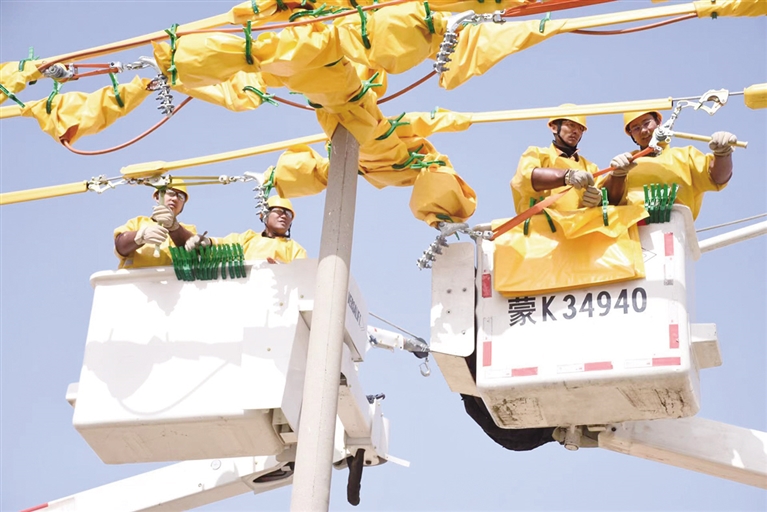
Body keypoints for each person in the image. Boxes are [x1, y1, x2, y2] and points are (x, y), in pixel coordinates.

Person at [603, 110, 737, 219]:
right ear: (632, 135)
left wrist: (723, 154)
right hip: (632, 231)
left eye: (646, 123)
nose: (643, 130)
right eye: (636, 128)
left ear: (658, 122)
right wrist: (617, 175)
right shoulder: (626, 163)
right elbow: (607, 201)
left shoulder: (685, 156)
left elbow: (717, 178)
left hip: (676, 227)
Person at [511, 107, 602, 213]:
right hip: (542, 222)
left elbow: (607, 196)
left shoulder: (591, 167)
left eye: (581, 129)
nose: (576, 131)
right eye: (570, 125)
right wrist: (567, 176)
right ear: (554, 128)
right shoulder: (536, 154)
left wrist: (600, 200)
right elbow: (526, 177)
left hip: (580, 223)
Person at [114, 180, 199, 269]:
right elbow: (120, 246)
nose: (175, 199)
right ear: (157, 197)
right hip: (135, 277)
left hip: (171, 278)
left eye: (181, 197)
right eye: (170, 193)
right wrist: (140, 236)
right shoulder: (138, 222)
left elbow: (196, 253)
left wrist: (174, 227)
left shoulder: (188, 230)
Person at [195, 196, 306, 263]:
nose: (284, 216)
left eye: (288, 214)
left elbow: (302, 276)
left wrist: (282, 271)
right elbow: (225, 244)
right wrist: (208, 242)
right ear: (265, 215)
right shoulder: (248, 238)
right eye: (279, 211)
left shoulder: (295, 249)